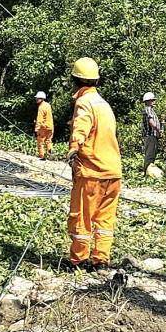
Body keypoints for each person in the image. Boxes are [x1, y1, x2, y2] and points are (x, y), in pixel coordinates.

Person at [66, 57, 122, 267]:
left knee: (82, 217)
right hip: (113, 172)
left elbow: (82, 126)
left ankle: (78, 261)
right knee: (105, 220)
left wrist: (74, 147)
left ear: (75, 80)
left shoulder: (84, 102)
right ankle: (100, 261)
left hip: (92, 173)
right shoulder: (104, 104)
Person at [140, 92, 165, 169]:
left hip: (152, 136)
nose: (154, 102)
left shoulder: (150, 110)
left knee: (152, 154)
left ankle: (149, 170)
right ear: (147, 101)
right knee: (150, 155)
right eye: (152, 100)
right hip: (150, 136)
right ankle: (147, 171)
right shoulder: (148, 109)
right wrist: (157, 131)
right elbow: (151, 121)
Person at [34, 90, 55, 158]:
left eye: (37, 98)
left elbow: (39, 119)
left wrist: (36, 129)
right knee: (48, 140)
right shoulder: (48, 105)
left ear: (41, 99)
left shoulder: (41, 107)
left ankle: (42, 156)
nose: (36, 99)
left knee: (40, 141)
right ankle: (50, 149)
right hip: (50, 126)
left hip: (43, 127)